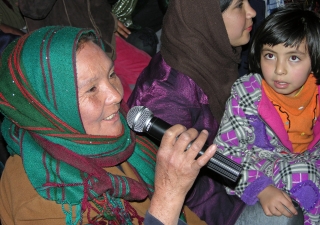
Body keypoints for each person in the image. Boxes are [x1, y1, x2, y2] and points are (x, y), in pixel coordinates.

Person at [0, 26, 217, 225]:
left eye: (111, 75)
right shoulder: (42, 200)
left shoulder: (116, 137)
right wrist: (168, 197)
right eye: (92, 89)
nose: (116, 94)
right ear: (49, 108)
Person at [128, 0, 256, 224]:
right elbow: (170, 181)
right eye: (238, 5)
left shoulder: (209, 57)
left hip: (232, 174)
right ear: (208, 20)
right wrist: (253, 185)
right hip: (207, 207)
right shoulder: (168, 95)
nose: (252, 12)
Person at [214, 4, 320, 225]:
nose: (279, 69)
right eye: (270, 55)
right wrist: (260, 188)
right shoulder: (247, 93)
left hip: (311, 157)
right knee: (302, 174)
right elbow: (225, 154)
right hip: (262, 166)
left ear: (314, 61)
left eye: (293, 58)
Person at [18, 0, 152, 102]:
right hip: (71, 50)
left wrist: (111, 19)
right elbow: (32, 9)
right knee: (121, 97)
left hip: (103, 37)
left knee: (153, 73)